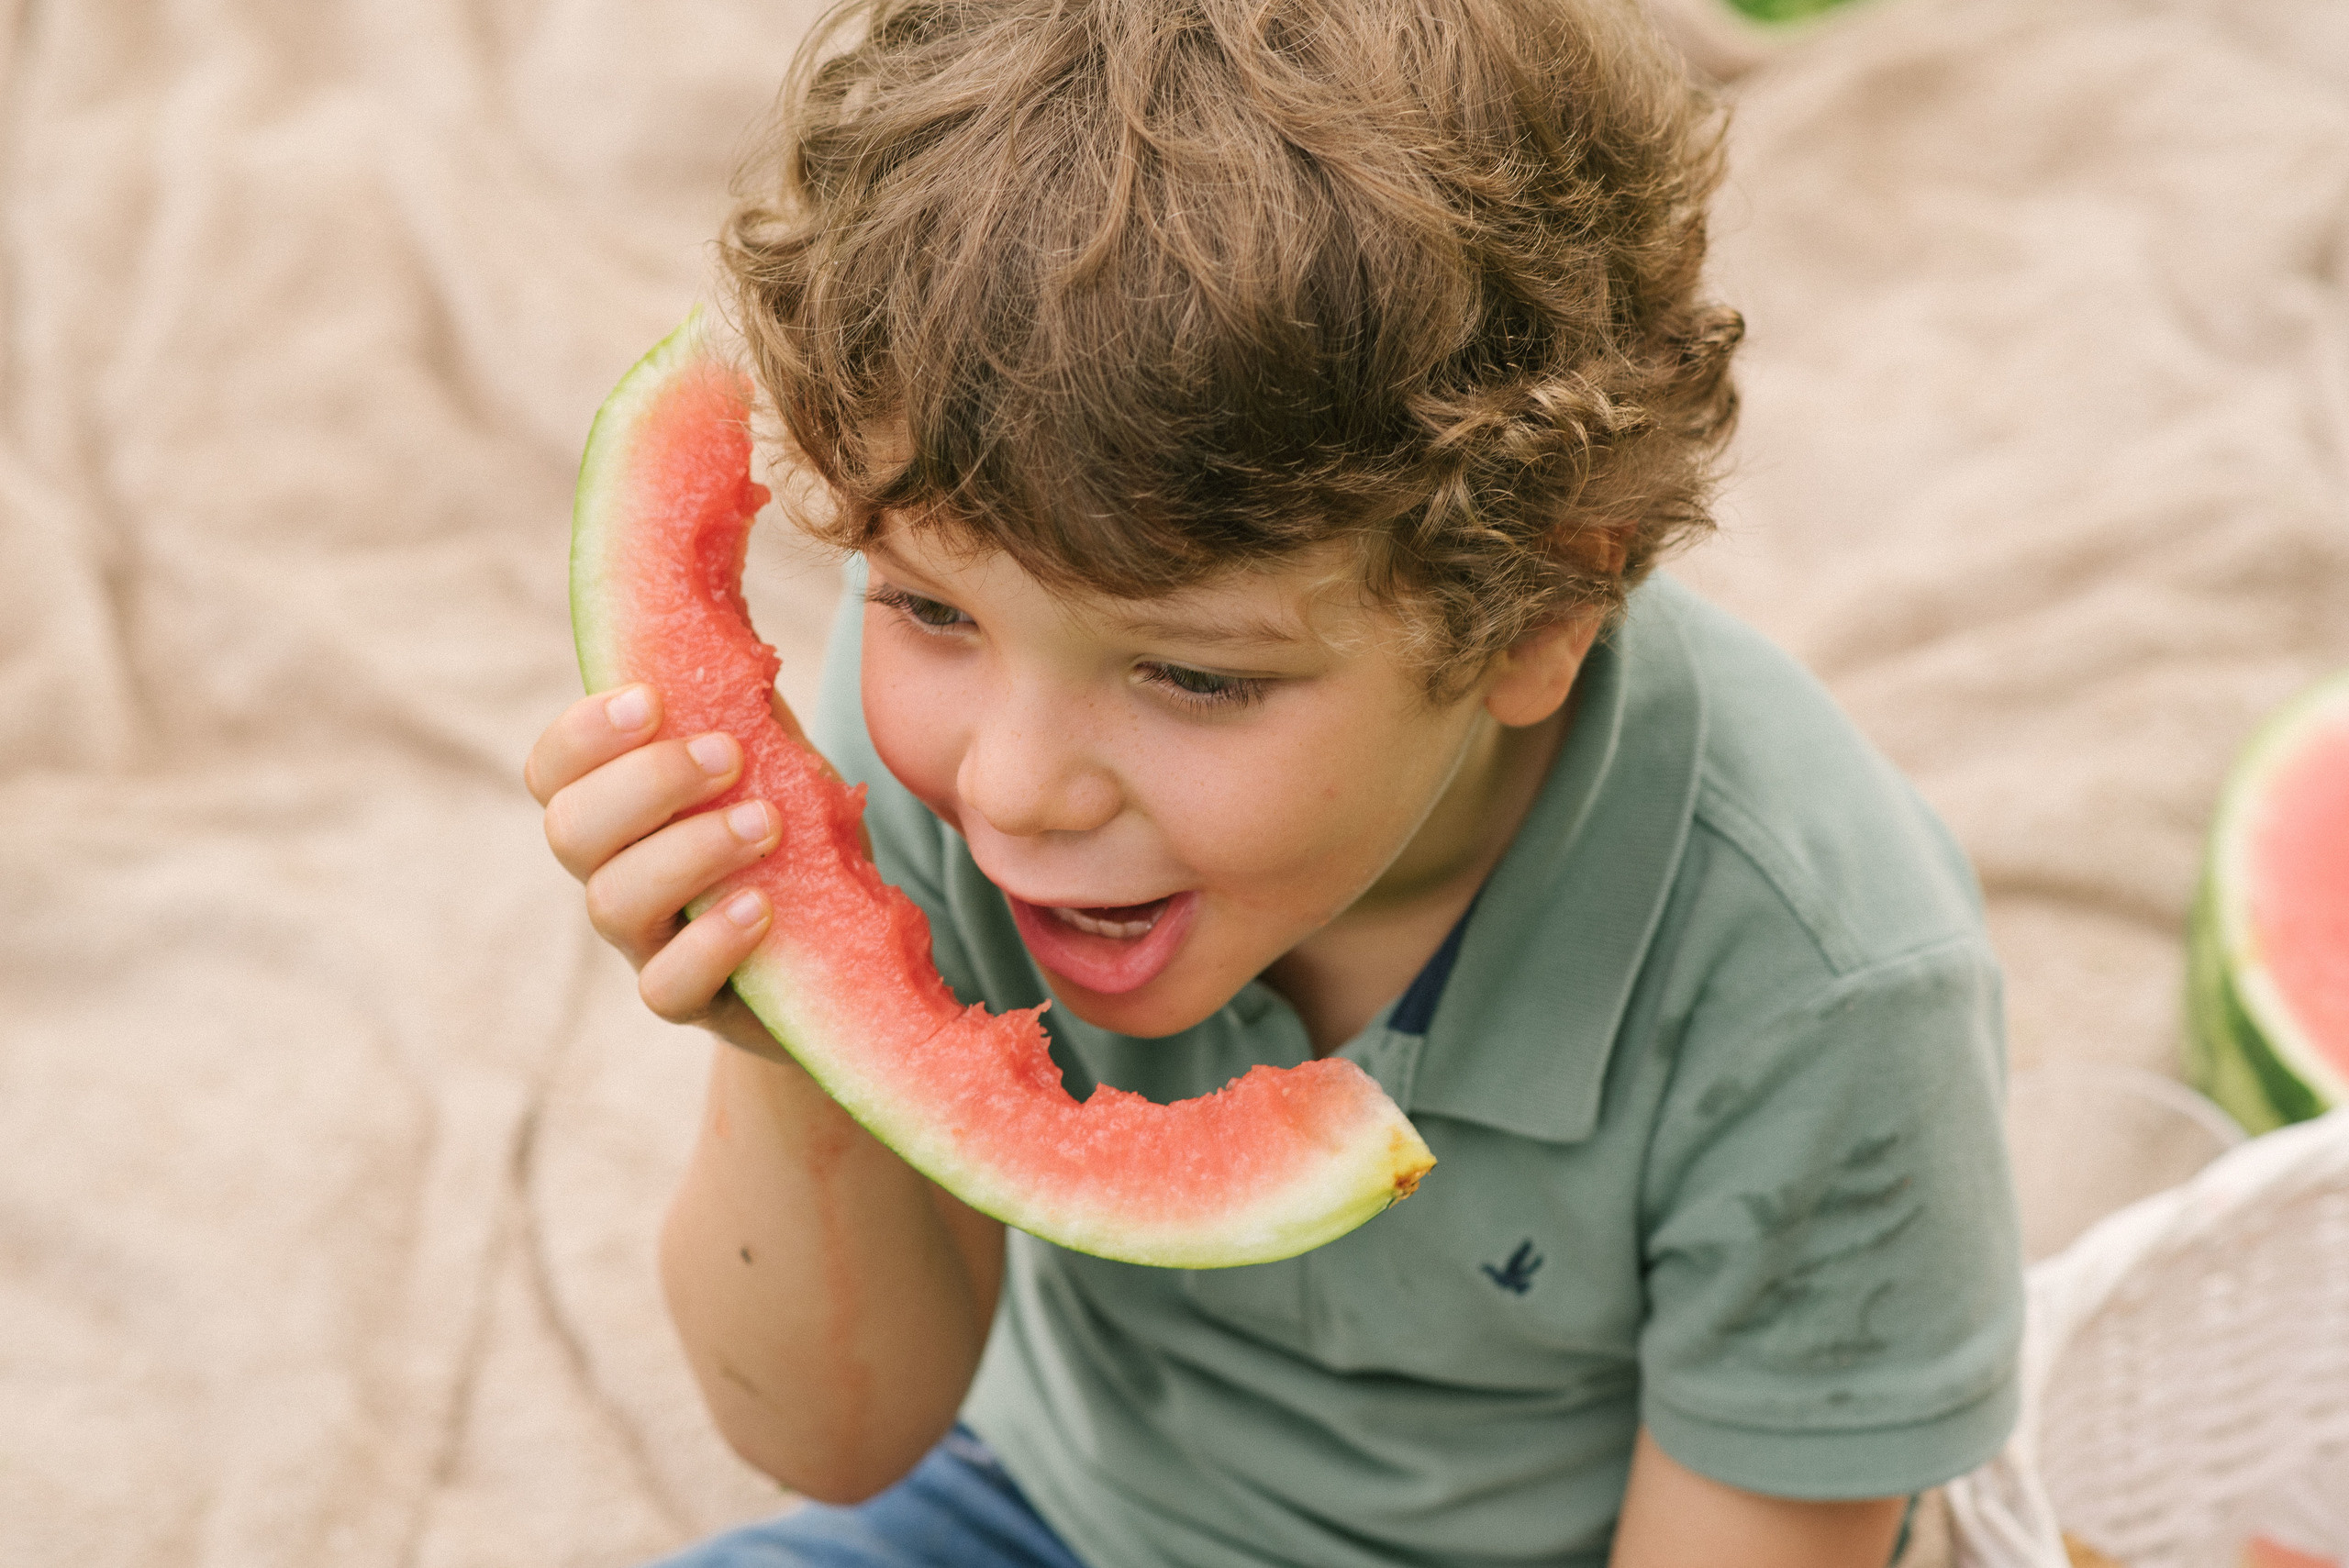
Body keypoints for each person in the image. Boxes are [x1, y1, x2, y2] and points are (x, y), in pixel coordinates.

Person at [524, 0, 2024, 1561]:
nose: (1018, 790)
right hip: (1045, 1510)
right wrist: (793, 1025)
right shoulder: (956, 731)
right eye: (926, 607)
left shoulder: (1828, 990)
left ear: (1542, 607)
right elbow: (834, 1439)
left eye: (1195, 675)